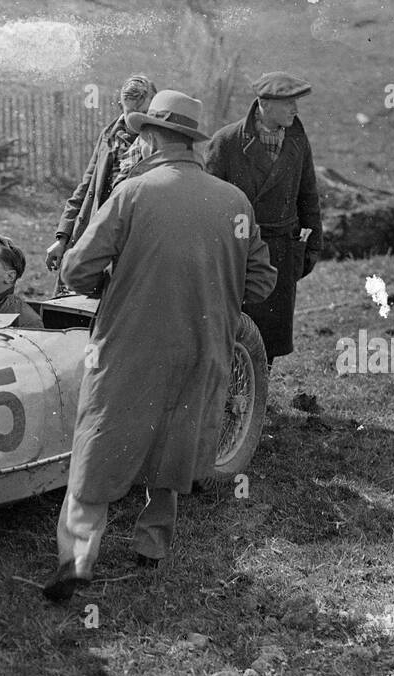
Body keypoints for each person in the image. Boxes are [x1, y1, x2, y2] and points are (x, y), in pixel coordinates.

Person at [43, 91, 277, 602]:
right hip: (204, 343)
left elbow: (76, 269)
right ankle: (152, 547)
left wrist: (116, 275)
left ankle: (78, 558)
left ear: (149, 139)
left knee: (100, 442)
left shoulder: (133, 194)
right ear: (190, 142)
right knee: (177, 433)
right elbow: (260, 282)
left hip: (130, 342)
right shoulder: (234, 200)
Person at [205, 72, 322, 366]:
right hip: (239, 251)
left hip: (281, 250)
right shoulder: (227, 142)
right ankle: (233, 392)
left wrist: (312, 245)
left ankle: (259, 392)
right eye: (288, 103)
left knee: (270, 334)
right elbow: (208, 203)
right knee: (237, 327)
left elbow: (308, 194)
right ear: (264, 104)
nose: (295, 110)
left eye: (296, 103)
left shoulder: (297, 140)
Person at [45, 73, 155, 284]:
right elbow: (85, 188)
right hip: (94, 235)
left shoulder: (155, 143)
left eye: (145, 113)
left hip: (130, 243)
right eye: (132, 112)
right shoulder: (109, 136)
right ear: (121, 106)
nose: (139, 119)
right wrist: (62, 238)